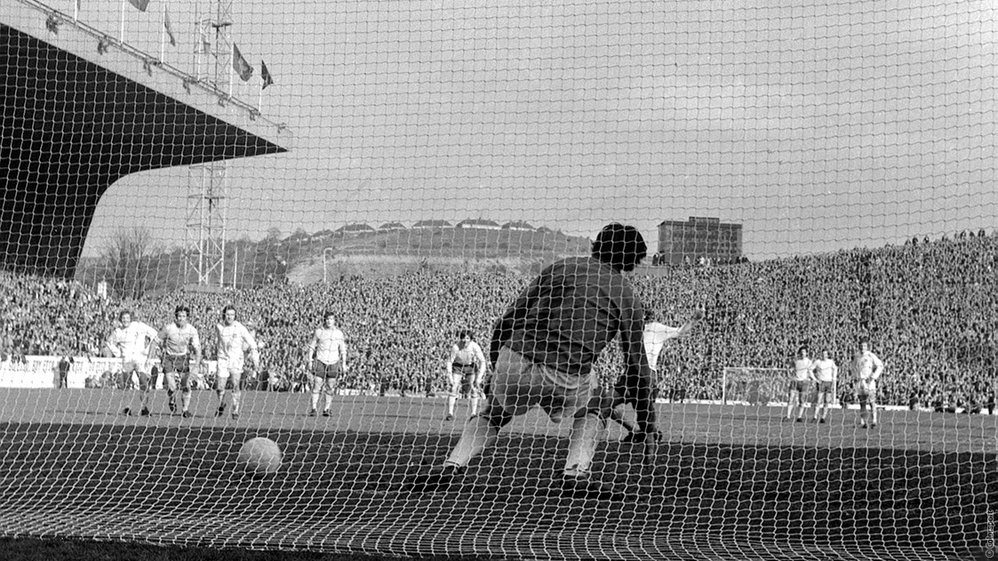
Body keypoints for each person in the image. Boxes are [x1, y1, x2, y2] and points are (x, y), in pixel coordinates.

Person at [404, 223, 654, 499]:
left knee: (494, 414)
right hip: (566, 374)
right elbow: (638, 369)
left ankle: (452, 465)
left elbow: (504, 323)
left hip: (516, 359)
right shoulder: (627, 295)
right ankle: (576, 472)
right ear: (632, 260)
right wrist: (646, 425)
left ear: (597, 244)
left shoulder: (561, 268)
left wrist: (496, 372)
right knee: (597, 405)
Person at [613, 308, 703, 443]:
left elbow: (679, 332)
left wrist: (695, 319)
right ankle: (636, 430)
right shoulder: (631, 330)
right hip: (629, 374)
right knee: (606, 403)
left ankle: (650, 435)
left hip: (647, 373)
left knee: (643, 411)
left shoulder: (655, 328)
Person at [105, 311, 159, 416]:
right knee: (126, 384)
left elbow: (154, 334)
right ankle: (127, 408)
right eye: (123, 318)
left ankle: (144, 408)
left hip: (140, 359)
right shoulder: (118, 332)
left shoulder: (139, 326)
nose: (125, 320)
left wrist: (147, 350)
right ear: (120, 320)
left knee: (143, 382)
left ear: (131, 319)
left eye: (127, 318)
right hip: (127, 360)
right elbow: (109, 342)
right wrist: (118, 353)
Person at [213, 305, 259, 420]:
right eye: (228, 314)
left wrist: (255, 357)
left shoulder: (239, 327)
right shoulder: (219, 326)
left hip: (236, 359)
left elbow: (251, 341)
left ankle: (235, 410)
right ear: (224, 315)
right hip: (223, 359)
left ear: (235, 316)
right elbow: (218, 341)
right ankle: (222, 403)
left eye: (232, 315)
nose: (230, 317)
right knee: (220, 387)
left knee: (235, 384)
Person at [157, 305, 202, 418]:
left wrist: (196, 365)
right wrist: (154, 355)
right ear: (176, 316)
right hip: (169, 357)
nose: (181, 318)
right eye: (179, 316)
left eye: (183, 316)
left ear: (187, 317)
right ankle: (171, 399)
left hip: (183, 358)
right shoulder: (169, 328)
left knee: (186, 385)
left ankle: (185, 410)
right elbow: (156, 340)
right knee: (172, 387)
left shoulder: (192, 330)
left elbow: (198, 348)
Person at [306, 312, 348, 417]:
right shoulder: (319, 332)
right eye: (327, 319)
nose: (329, 321)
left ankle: (327, 409)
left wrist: (343, 364)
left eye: (331, 319)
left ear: (334, 321)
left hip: (333, 362)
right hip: (321, 360)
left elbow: (342, 349)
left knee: (330, 386)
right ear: (324, 320)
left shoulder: (339, 333)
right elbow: (312, 346)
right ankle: (314, 408)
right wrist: (310, 361)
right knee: (317, 384)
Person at [444, 330, 488, 420]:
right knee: (454, 387)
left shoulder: (475, 347)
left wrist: (479, 377)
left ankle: (473, 414)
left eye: (467, 338)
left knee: (473, 388)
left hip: (470, 366)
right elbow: (449, 361)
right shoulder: (456, 347)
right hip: (458, 366)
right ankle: (450, 413)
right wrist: (450, 377)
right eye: (463, 338)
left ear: (471, 339)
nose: (465, 340)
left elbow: (483, 361)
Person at [853, 340, 885, 428]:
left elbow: (880, 365)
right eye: (861, 345)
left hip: (869, 382)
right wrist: (855, 377)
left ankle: (874, 421)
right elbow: (854, 367)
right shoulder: (856, 356)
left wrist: (873, 377)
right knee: (862, 403)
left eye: (864, 346)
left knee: (872, 401)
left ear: (867, 347)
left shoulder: (871, 355)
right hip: (860, 382)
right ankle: (863, 422)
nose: (862, 348)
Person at [786, 346, 815, 422]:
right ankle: (788, 416)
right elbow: (789, 367)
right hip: (795, 381)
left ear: (806, 353)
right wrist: (789, 375)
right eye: (801, 353)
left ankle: (799, 417)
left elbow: (810, 371)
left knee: (802, 400)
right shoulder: (796, 360)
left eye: (804, 352)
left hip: (804, 382)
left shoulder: (809, 362)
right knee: (791, 398)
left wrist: (813, 379)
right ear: (799, 353)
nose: (803, 354)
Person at [811, 350, 838, 423]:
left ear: (827, 355)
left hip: (828, 382)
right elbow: (810, 369)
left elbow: (835, 368)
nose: (824, 355)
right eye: (822, 354)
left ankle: (823, 417)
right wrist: (815, 379)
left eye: (825, 354)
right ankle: (815, 416)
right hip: (821, 382)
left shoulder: (830, 362)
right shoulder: (818, 362)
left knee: (827, 400)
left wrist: (833, 378)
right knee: (819, 400)